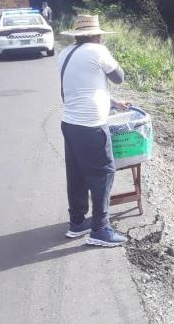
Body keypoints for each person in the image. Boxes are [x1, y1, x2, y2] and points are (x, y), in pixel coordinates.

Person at [58, 14, 130, 247]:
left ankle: (77, 222)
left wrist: (112, 103)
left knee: (76, 174)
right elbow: (119, 77)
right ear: (96, 35)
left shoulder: (65, 54)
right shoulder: (98, 51)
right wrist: (106, 53)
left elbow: (81, 88)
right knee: (104, 173)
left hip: (70, 124)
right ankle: (100, 229)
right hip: (91, 126)